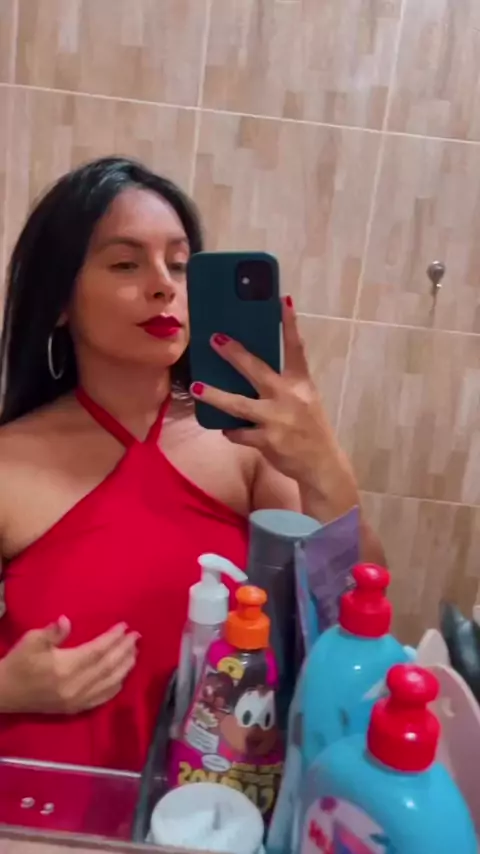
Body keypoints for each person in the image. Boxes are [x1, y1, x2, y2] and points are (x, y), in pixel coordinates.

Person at [0, 157, 384, 772]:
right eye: (126, 264)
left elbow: (357, 615)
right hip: (39, 801)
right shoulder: (9, 461)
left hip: (218, 799)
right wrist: (6, 688)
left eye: (179, 265)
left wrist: (324, 468)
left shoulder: (247, 444)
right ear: (59, 301)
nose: (164, 286)